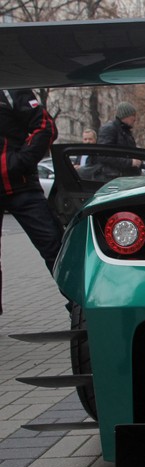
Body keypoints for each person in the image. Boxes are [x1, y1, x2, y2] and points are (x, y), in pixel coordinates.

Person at [0, 89, 62, 315]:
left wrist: (18, 162)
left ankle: (81, 308)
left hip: (21, 185)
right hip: (18, 179)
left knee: (55, 246)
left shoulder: (10, 87)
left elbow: (45, 127)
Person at [94, 102, 143, 180]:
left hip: (125, 178)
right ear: (126, 116)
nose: (135, 119)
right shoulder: (110, 129)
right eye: (133, 115)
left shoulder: (125, 131)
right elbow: (104, 155)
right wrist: (130, 163)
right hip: (113, 178)